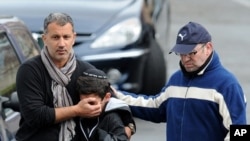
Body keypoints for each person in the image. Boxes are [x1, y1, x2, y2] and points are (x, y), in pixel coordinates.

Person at [113, 21, 247, 141]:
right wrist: (116, 96)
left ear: (208, 48)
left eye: (191, 53)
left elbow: (240, 132)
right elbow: (154, 107)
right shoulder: (176, 80)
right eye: (182, 53)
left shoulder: (227, 85)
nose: (185, 59)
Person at [16, 12, 113, 141]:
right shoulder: (29, 70)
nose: (61, 44)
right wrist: (77, 110)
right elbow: (36, 116)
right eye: (55, 37)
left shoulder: (87, 71)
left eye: (66, 37)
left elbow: (112, 102)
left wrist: (128, 126)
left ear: (74, 38)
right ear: (44, 39)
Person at [75, 68, 136, 141]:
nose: (86, 107)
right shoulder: (76, 113)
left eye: (92, 103)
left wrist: (102, 137)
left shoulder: (111, 118)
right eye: (82, 102)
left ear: (107, 97)